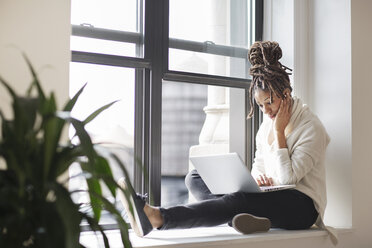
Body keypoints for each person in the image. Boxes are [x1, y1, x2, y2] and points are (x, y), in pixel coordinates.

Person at [118, 41, 337, 244]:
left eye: (270, 102)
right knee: (194, 178)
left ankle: (157, 217)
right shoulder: (265, 126)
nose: (266, 111)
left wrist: (280, 132)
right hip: (269, 197)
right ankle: (242, 218)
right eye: (260, 105)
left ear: (286, 94)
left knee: (238, 200)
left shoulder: (311, 127)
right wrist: (256, 179)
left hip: (301, 207)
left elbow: (289, 178)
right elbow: (259, 163)